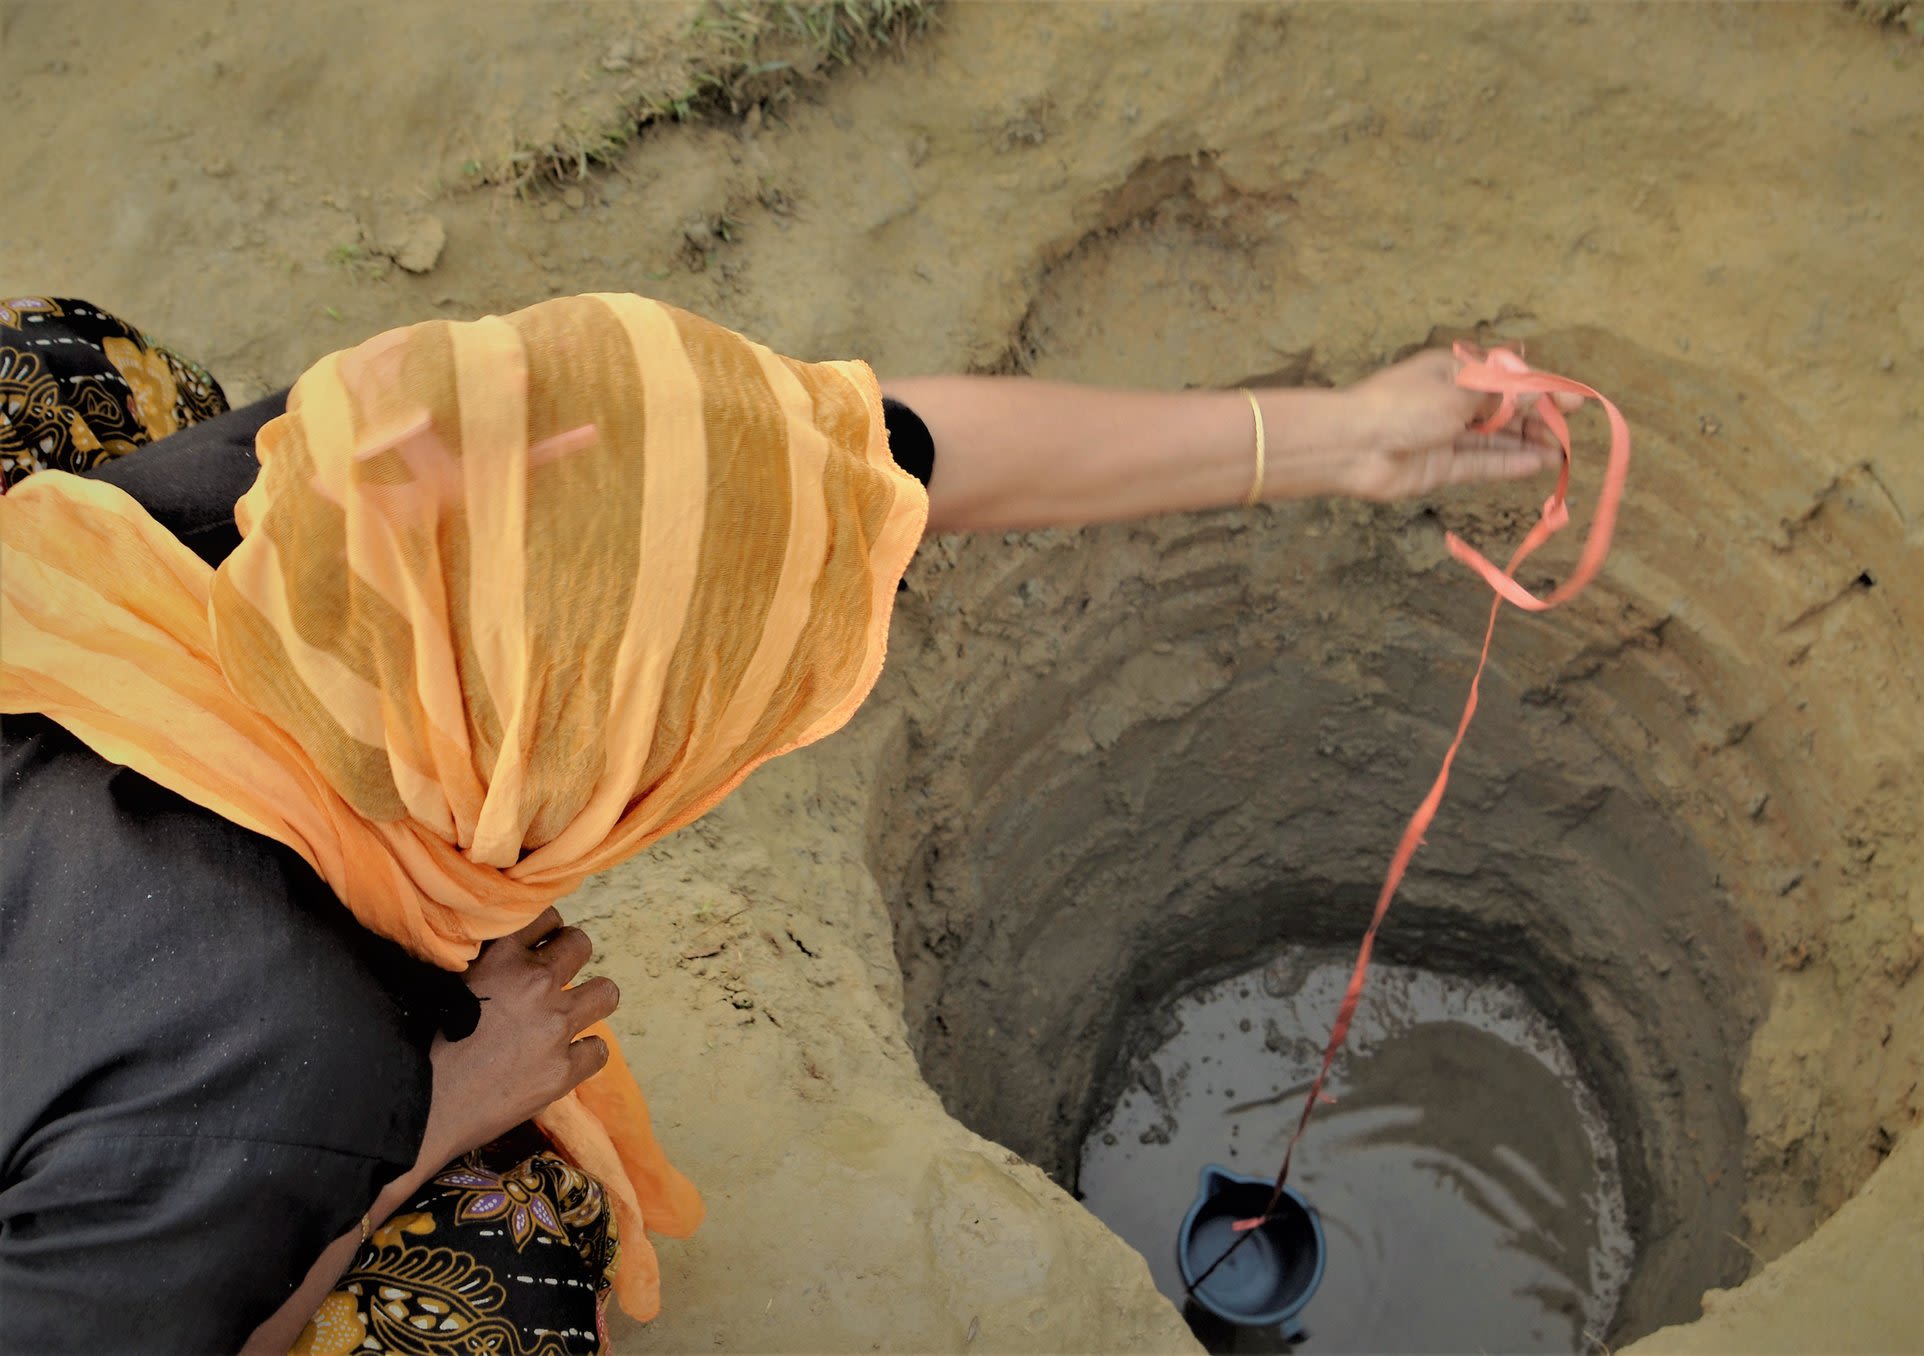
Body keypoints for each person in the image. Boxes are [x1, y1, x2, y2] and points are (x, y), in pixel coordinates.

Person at [0, 293, 1566, 1354]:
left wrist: (1351, 436)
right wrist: (426, 1120)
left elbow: (876, 458)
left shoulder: (350, 484)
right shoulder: (298, 1064)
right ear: (587, 765)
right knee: (514, 1252)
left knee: (62, 372)